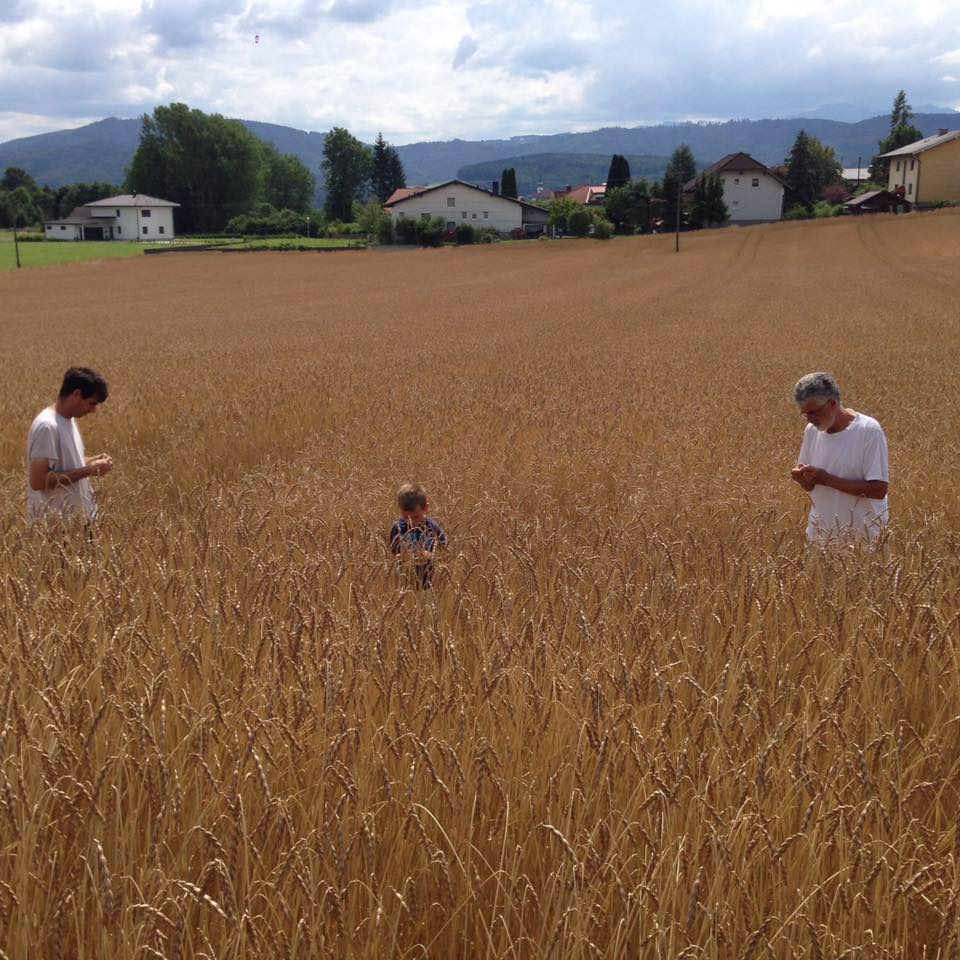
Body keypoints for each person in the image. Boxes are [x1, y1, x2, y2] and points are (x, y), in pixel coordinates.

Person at [790, 371, 889, 545]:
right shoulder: (812, 431)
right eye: (805, 414)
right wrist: (803, 480)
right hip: (821, 538)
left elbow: (878, 490)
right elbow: (810, 487)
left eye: (813, 412)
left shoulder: (868, 431)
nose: (810, 419)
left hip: (863, 541)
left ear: (832, 403)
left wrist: (826, 479)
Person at [27, 367, 113, 526]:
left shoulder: (69, 420)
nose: (93, 410)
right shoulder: (47, 426)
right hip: (58, 528)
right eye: (91, 403)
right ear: (77, 394)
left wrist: (92, 462)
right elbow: (38, 481)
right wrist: (89, 471)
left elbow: (63, 464)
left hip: (78, 523)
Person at [389, 482, 447, 588]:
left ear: (426, 508)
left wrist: (430, 556)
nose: (410, 522)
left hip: (429, 584)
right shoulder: (397, 529)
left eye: (415, 517)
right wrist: (407, 557)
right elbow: (393, 556)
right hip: (404, 584)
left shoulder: (433, 528)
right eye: (405, 517)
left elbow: (445, 552)